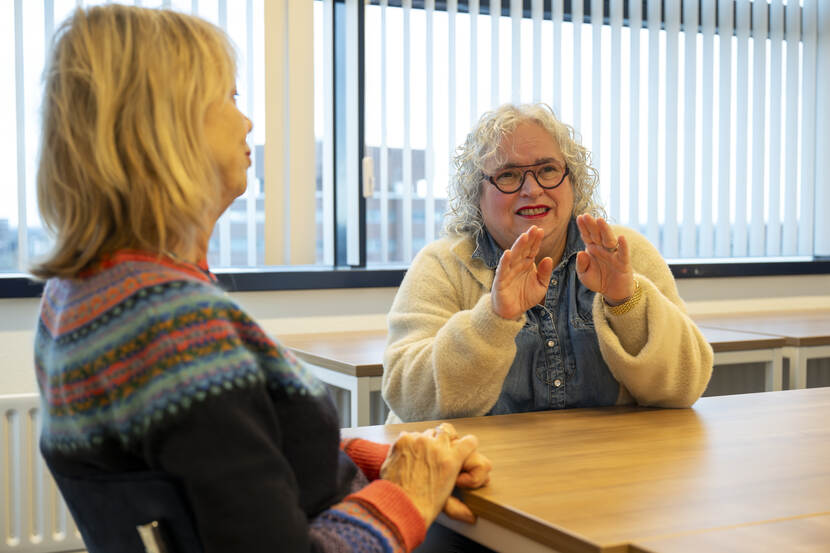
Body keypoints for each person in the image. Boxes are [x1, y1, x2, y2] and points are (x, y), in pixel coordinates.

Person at [31, 5, 491, 553]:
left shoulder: (83, 298)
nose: (247, 122)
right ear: (168, 123)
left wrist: (373, 460)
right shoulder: (175, 327)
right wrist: (406, 493)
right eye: (229, 98)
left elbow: (227, 463)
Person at [382, 103, 713, 423]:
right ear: (476, 194)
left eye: (547, 170)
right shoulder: (444, 265)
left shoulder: (622, 253)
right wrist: (494, 319)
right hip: (480, 468)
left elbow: (683, 388)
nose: (533, 189)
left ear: (573, 180)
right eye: (508, 175)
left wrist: (627, 302)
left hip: (606, 468)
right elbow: (407, 398)